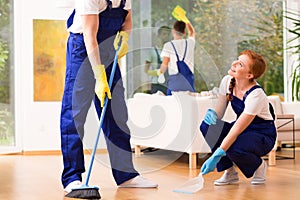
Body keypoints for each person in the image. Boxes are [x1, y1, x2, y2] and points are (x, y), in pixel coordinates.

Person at [61, 0, 158, 194]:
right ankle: (72, 178)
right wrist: (98, 75)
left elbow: (127, 19)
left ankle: (126, 175)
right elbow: (89, 35)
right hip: (82, 49)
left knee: (117, 113)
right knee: (75, 114)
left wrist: (125, 36)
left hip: (107, 49)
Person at [199, 50, 276, 185]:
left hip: (262, 135)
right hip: (242, 130)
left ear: (249, 75)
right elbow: (220, 112)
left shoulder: (256, 94)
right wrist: (212, 114)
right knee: (208, 127)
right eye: (236, 59)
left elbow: (236, 130)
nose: (234, 64)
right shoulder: (228, 81)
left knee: (232, 145)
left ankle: (259, 166)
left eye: (240, 64)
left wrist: (216, 155)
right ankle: (230, 173)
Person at [144, 26, 171, 94]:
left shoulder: (170, 51)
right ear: (159, 35)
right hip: (156, 84)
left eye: (168, 34)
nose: (166, 36)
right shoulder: (151, 51)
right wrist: (157, 73)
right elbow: (146, 70)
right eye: (164, 34)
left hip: (168, 84)